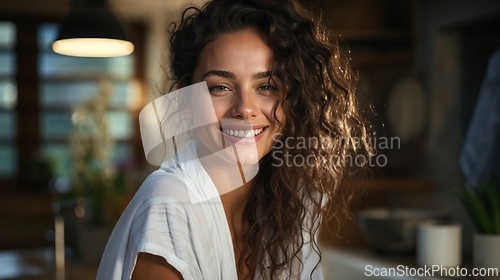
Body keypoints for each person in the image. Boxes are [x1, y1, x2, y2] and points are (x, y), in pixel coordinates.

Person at [97, 0, 373, 279]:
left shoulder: (287, 203)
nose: (244, 108)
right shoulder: (169, 209)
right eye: (220, 87)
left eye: (266, 86)